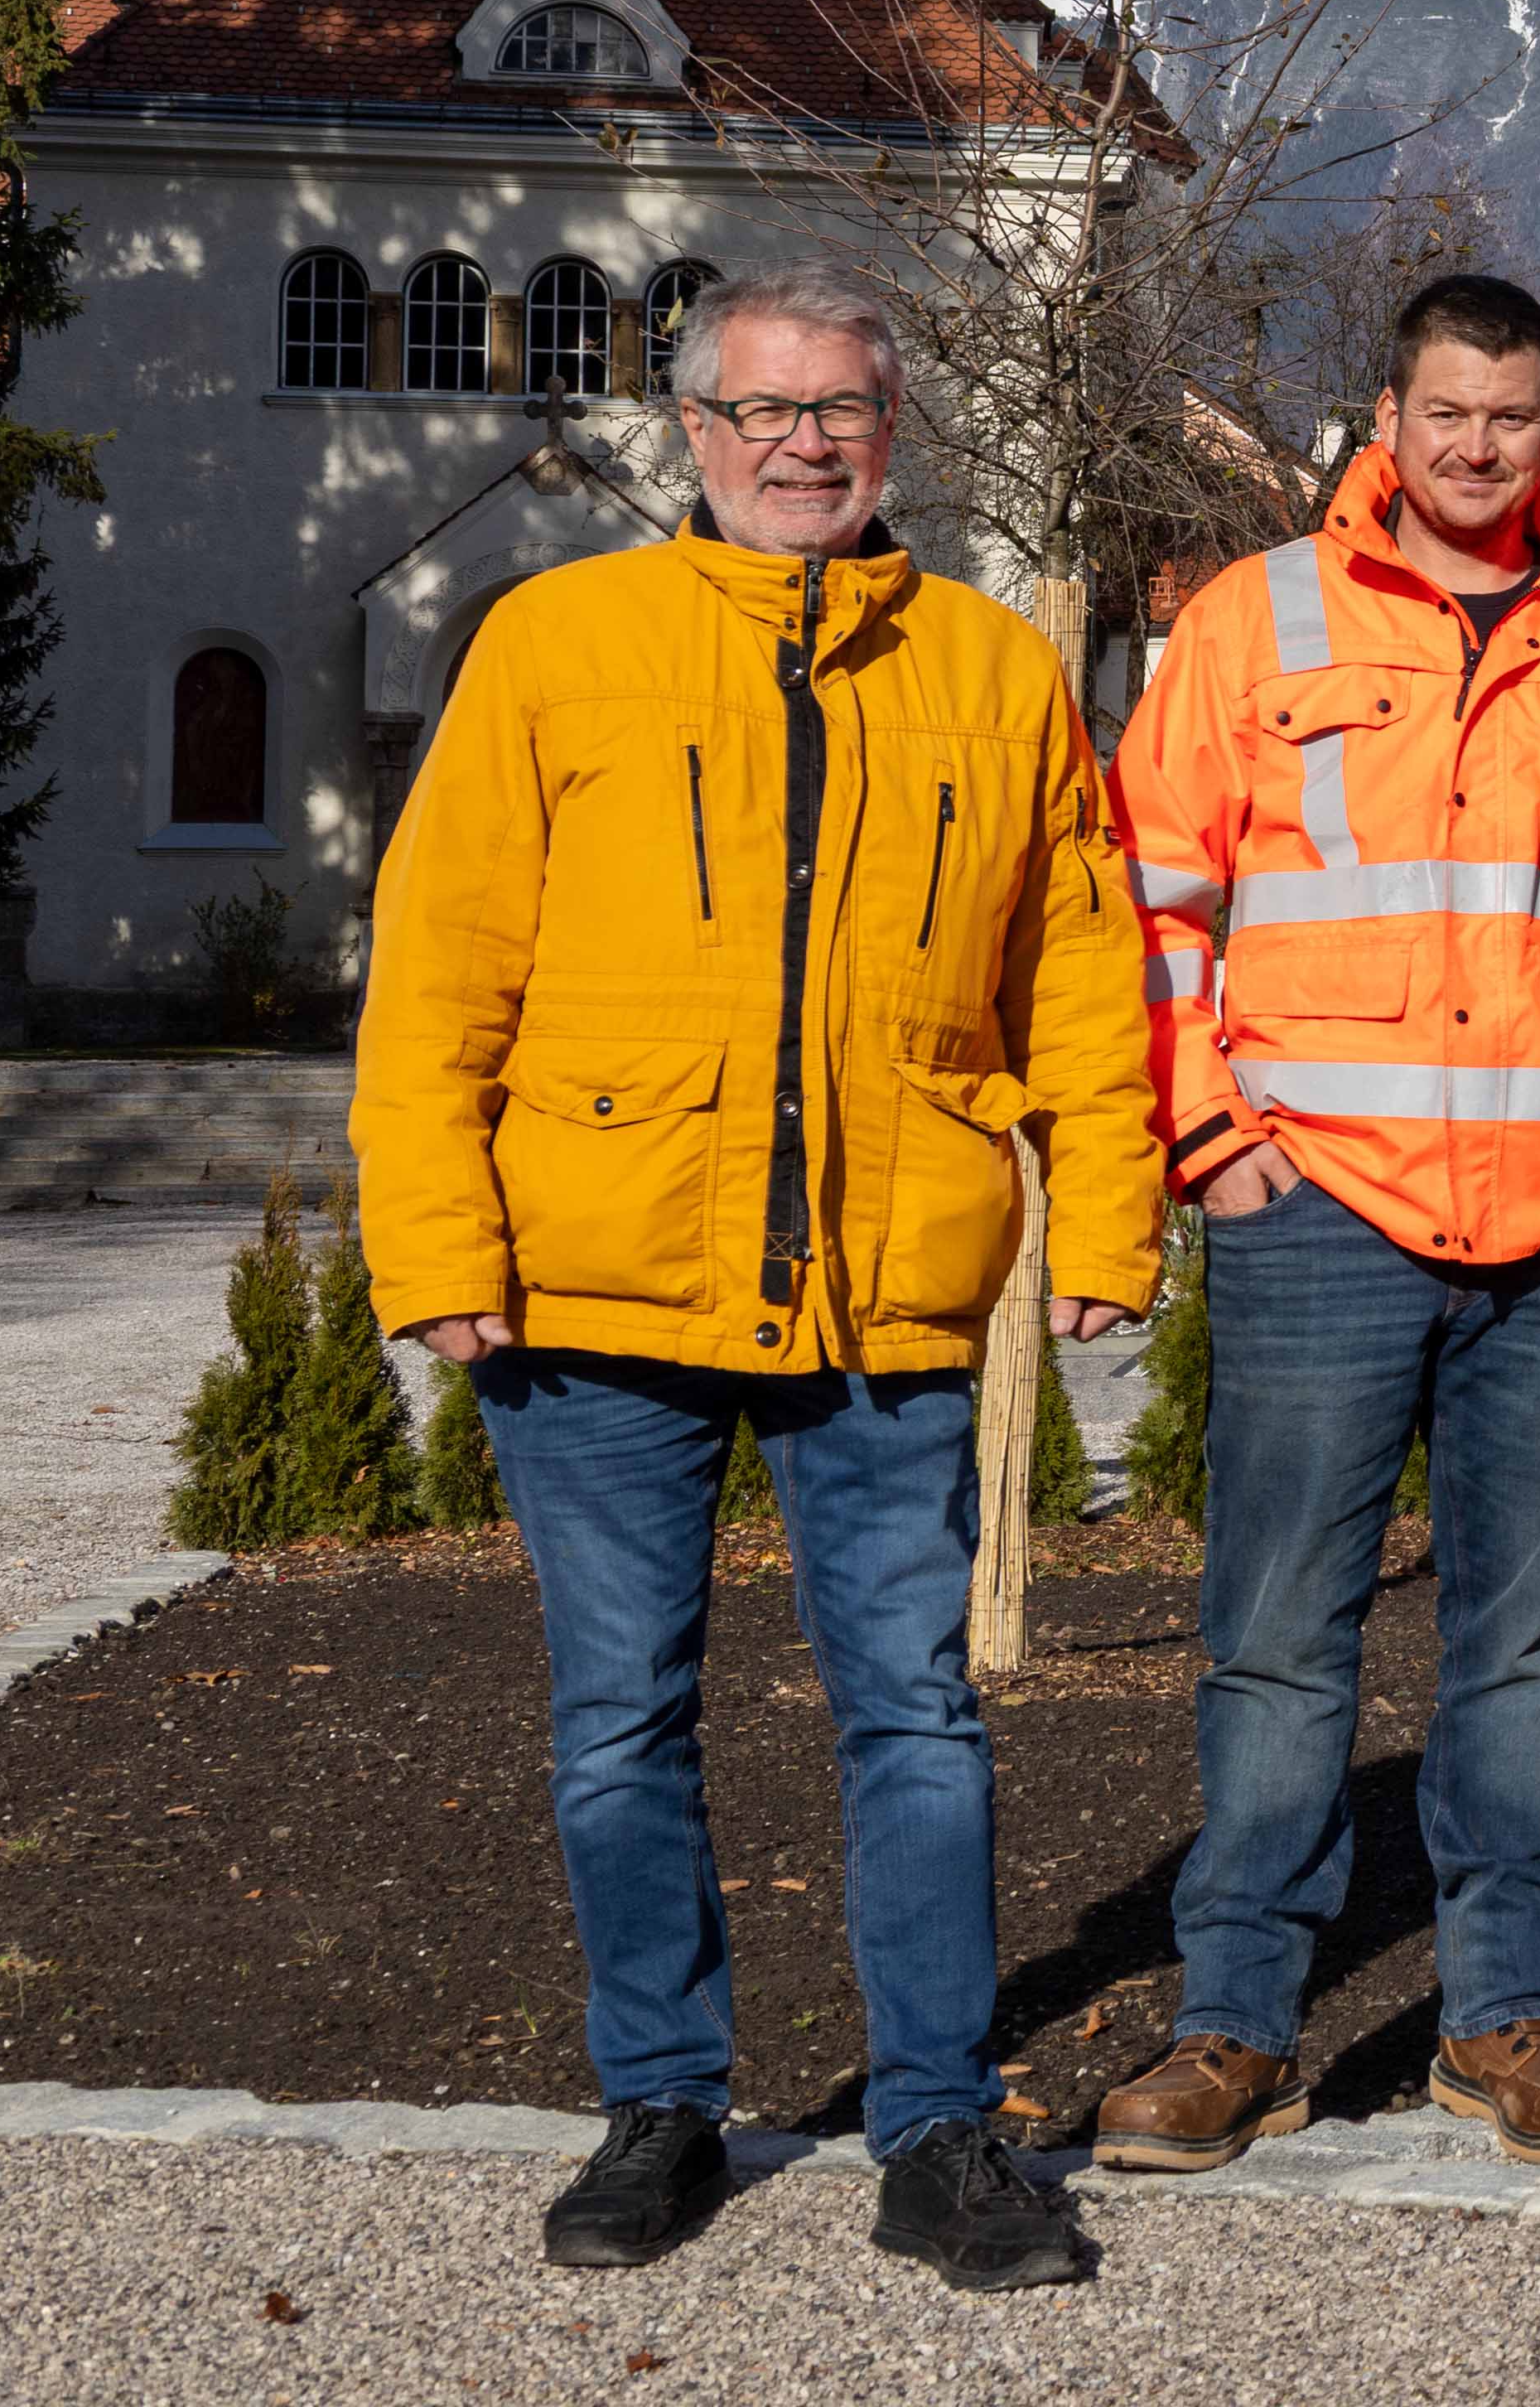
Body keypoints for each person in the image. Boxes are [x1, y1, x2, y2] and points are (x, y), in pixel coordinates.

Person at [359, 266, 1160, 2293]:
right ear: (693, 435)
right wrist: (438, 1244)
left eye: (842, 412)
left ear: (896, 435)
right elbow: (441, 967)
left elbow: (1079, 966)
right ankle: (660, 2102)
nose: (804, 442)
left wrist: (1112, 1218)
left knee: (915, 1713)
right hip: (595, 1292)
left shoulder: (993, 670)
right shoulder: (558, 644)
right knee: (621, 1716)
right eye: (764, 410)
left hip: (887, 1293)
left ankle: (935, 2127)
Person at [1089, 274, 1540, 2178]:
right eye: (1447, 412)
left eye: (1516, 415)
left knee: (1523, 1628)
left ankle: (1503, 2015)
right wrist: (1207, 1134)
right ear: (1386, 413)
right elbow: (1152, 897)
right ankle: (1233, 2023)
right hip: (1320, 1205)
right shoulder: (1256, 617)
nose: (1479, 447)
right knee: (1281, 1630)